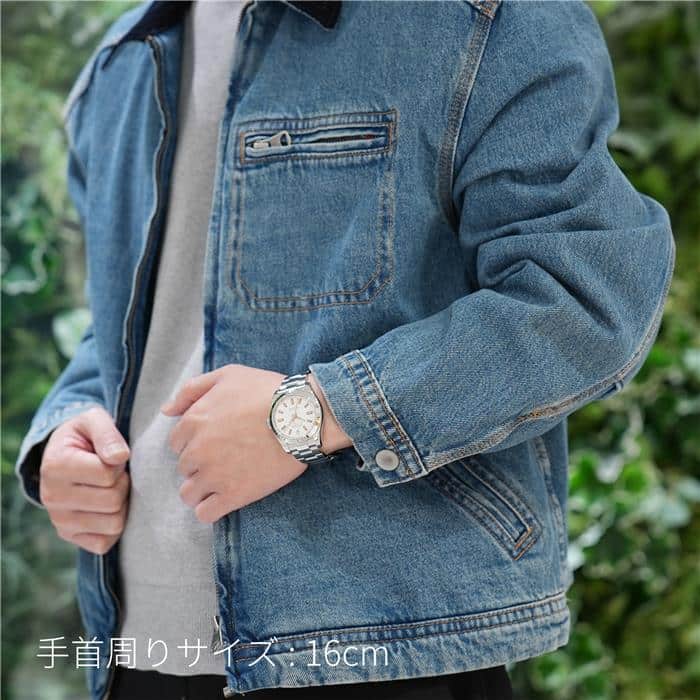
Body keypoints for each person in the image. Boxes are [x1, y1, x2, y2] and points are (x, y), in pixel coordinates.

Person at [14, 1, 674, 699]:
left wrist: (309, 416)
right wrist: (68, 428)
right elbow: (124, 328)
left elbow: (586, 295)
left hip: (378, 651)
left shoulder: (482, 21)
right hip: (137, 651)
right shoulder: (121, 61)